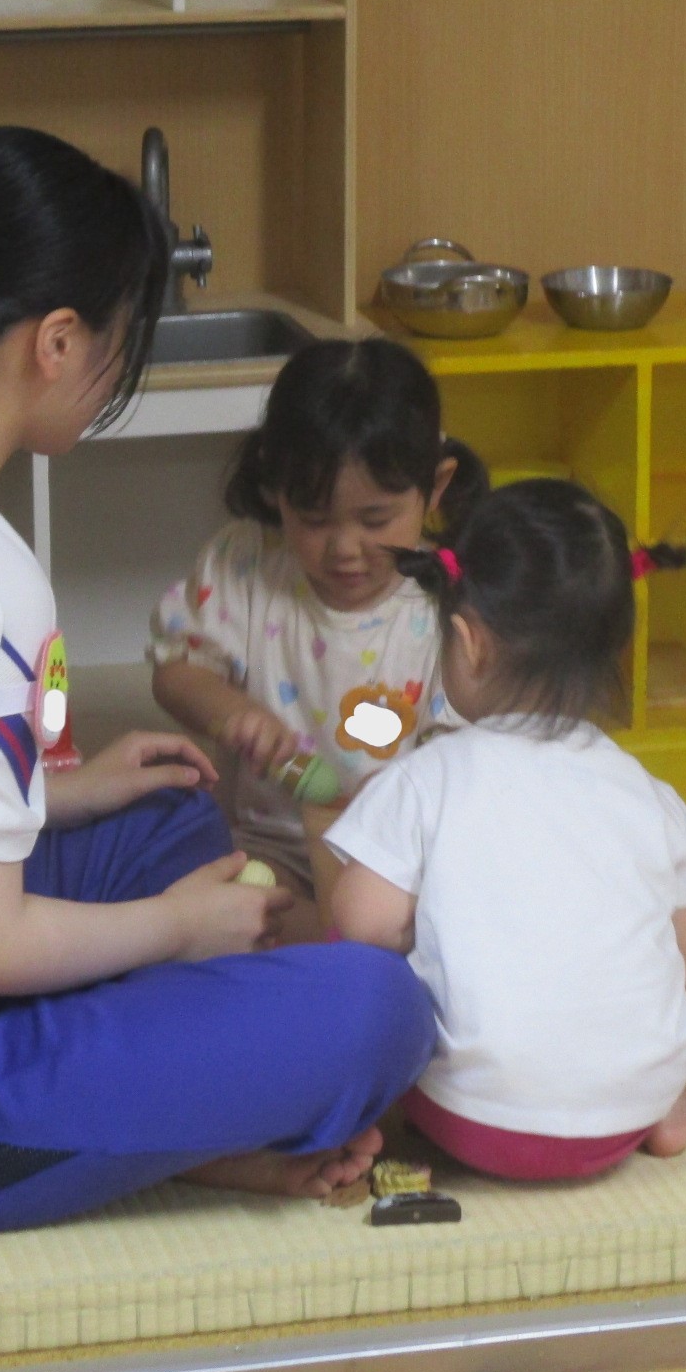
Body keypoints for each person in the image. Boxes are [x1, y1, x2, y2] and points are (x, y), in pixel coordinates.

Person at [0, 127, 435, 1236]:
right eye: (116, 341)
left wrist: (58, 795)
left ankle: (153, 1107)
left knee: (162, 816)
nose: (115, 373)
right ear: (55, 342)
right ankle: (161, 1124)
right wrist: (173, 930)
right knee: (377, 1010)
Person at [323, 479, 686, 1181]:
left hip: (466, 1120)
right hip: (625, 1113)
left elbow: (360, 921)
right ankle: (677, 1100)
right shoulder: (645, 794)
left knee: (354, 959)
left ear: (468, 643)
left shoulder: (426, 776)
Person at [150, 339, 487, 940]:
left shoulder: (447, 599)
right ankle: (322, 941)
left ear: (435, 487)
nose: (344, 549)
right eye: (313, 519)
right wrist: (231, 713)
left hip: (395, 861)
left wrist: (400, 799)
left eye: (376, 520)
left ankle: (334, 942)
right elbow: (177, 671)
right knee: (217, 904)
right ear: (275, 486)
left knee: (454, 922)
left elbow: (469, 756)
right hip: (271, 844)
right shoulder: (246, 563)